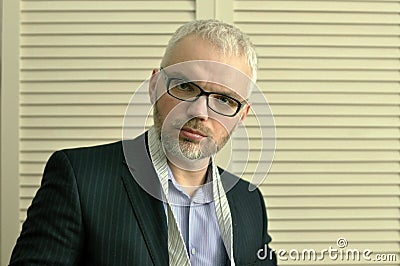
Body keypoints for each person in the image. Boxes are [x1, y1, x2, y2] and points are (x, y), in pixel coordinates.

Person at [9, 19, 277, 266]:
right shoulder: (78, 179)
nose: (200, 112)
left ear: (242, 114)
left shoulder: (249, 200)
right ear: (154, 85)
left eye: (224, 100)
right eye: (184, 86)